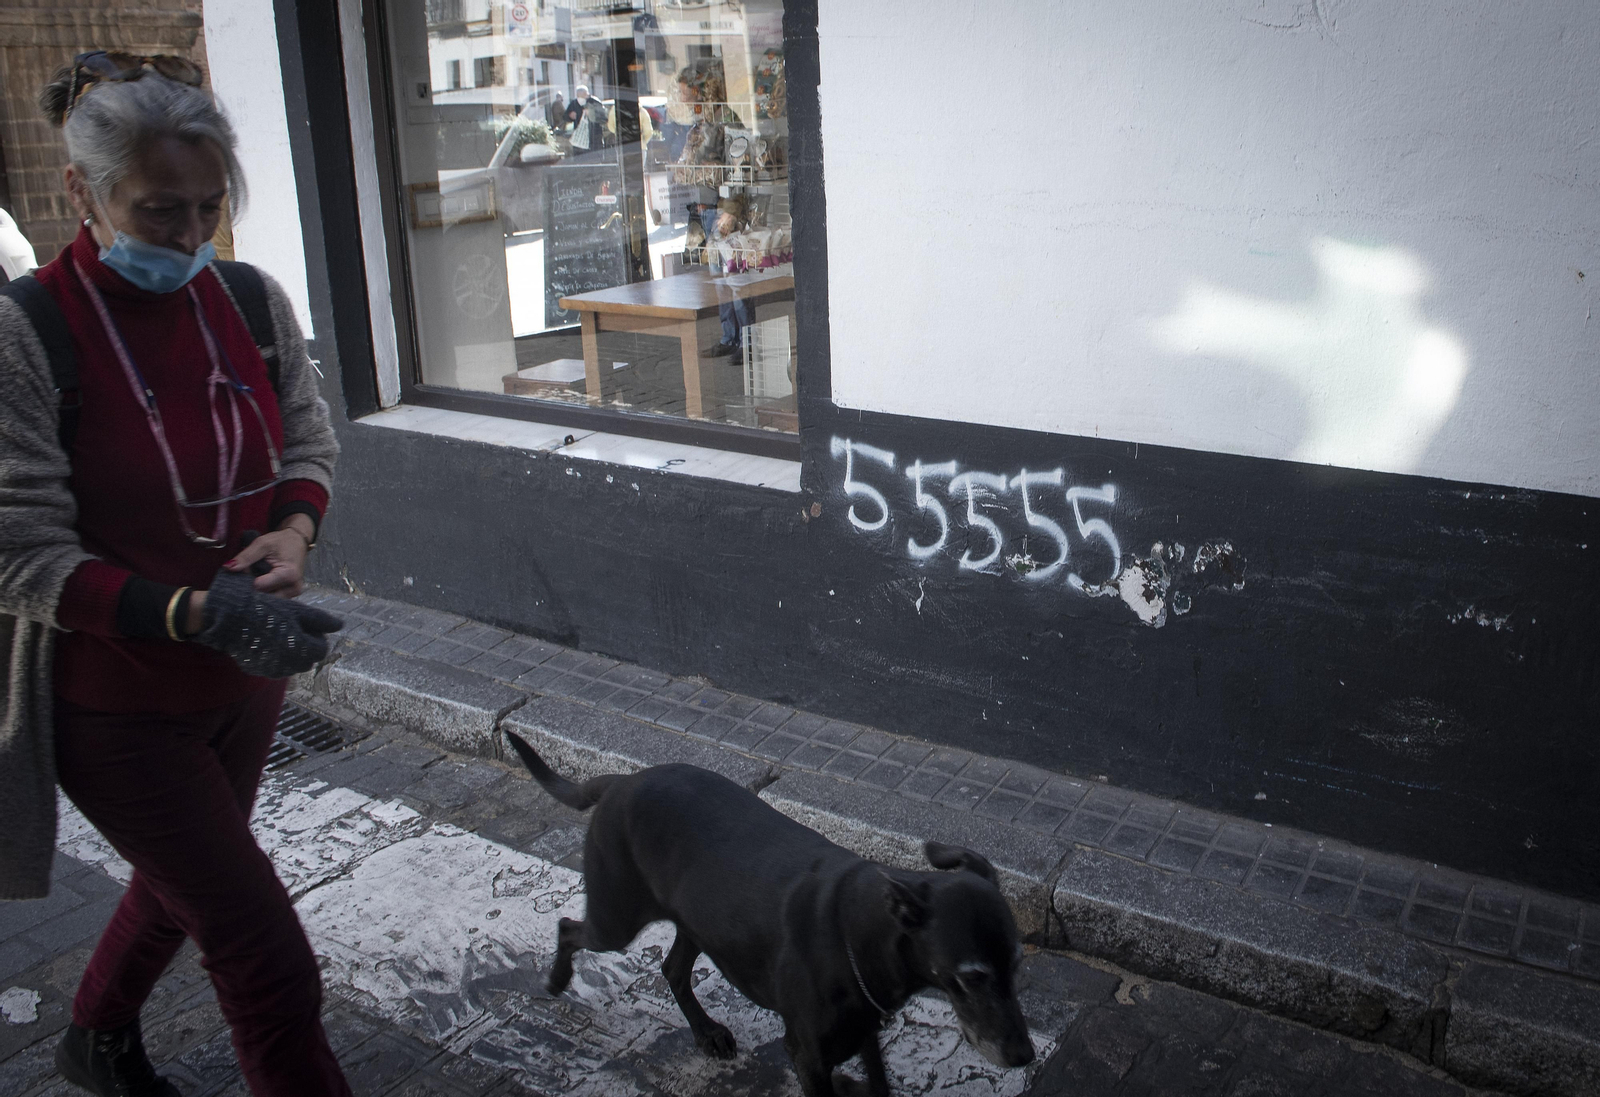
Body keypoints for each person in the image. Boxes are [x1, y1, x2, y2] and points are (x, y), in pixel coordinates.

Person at [0, 52, 349, 1096]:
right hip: (115, 703)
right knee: (265, 954)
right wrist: (187, 610)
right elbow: (19, 554)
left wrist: (292, 533)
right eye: (159, 212)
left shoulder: (245, 295)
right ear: (83, 192)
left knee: (177, 883)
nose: (191, 238)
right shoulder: (28, 331)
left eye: (209, 208)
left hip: (243, 677)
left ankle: (94, 1035)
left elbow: (308, 436)